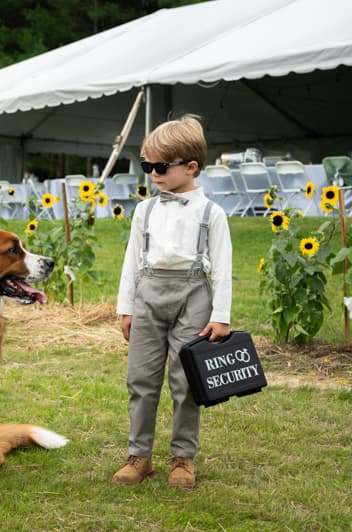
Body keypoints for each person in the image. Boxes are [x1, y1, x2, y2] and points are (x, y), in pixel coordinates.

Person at [113, 116, 232, 489]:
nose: (152, 174)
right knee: (141, 380)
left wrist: (221, 316)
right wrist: (126, 307)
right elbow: (132, 261)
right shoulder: (144, 211)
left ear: (191, 167)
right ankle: (139, 456)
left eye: (160, 167)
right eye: (147, 166)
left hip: (192, 296)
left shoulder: (212, 214)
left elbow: (224, 269)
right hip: (148, 295)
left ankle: (183, 457)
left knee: (185, 383)